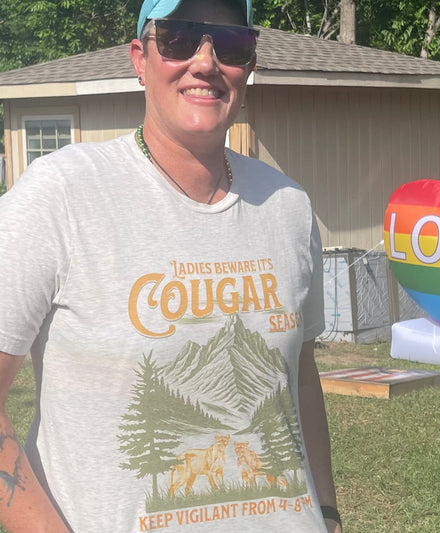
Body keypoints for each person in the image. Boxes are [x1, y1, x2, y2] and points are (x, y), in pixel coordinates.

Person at [0, 0, 342, 531]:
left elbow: (299, 378)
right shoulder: (60, 195)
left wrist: (327, 513)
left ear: (249, 65)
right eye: (179, 38)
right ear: (140, 58)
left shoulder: (288, 206)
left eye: (230, 44)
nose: (206, 63)